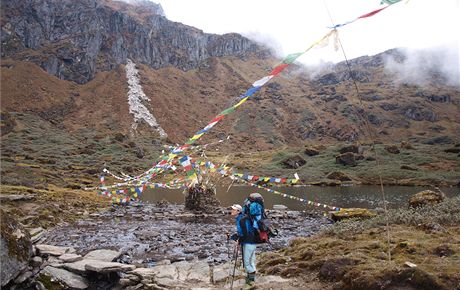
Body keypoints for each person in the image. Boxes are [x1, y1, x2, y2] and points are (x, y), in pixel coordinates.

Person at [230, 195, 263, 290]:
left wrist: (238, 240)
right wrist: (236, 237)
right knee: (251, 261)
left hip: (248, 243)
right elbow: (244, 232)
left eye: (233, 209)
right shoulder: (242, 218)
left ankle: (250, 283)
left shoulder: (242, 219)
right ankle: (250, 281)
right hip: (251, 242)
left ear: (238, 211)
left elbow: (245, 233)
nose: (231, 211)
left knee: (247, 263)